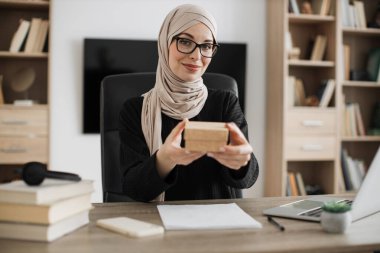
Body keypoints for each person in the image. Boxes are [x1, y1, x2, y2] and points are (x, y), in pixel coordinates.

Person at [119, 4, 259, 202]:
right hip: (158, 223)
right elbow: (133, 188)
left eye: (207, 46)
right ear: (165, 42)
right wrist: (165, 159)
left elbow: (247, 179)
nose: (197, 55)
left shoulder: (225, 102)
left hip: (218, 220)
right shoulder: (135, 109)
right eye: (185, 41)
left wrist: (242, 162)